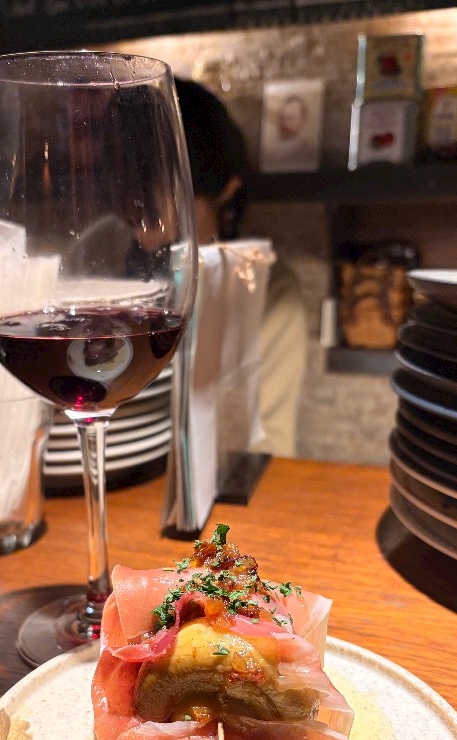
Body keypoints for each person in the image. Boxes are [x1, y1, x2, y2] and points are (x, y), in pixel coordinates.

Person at [175, 78, 309, 459]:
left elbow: (263, 453)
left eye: (171, 202)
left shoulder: (269, 293)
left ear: (227, 193)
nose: (143, 229)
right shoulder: (101, 254)